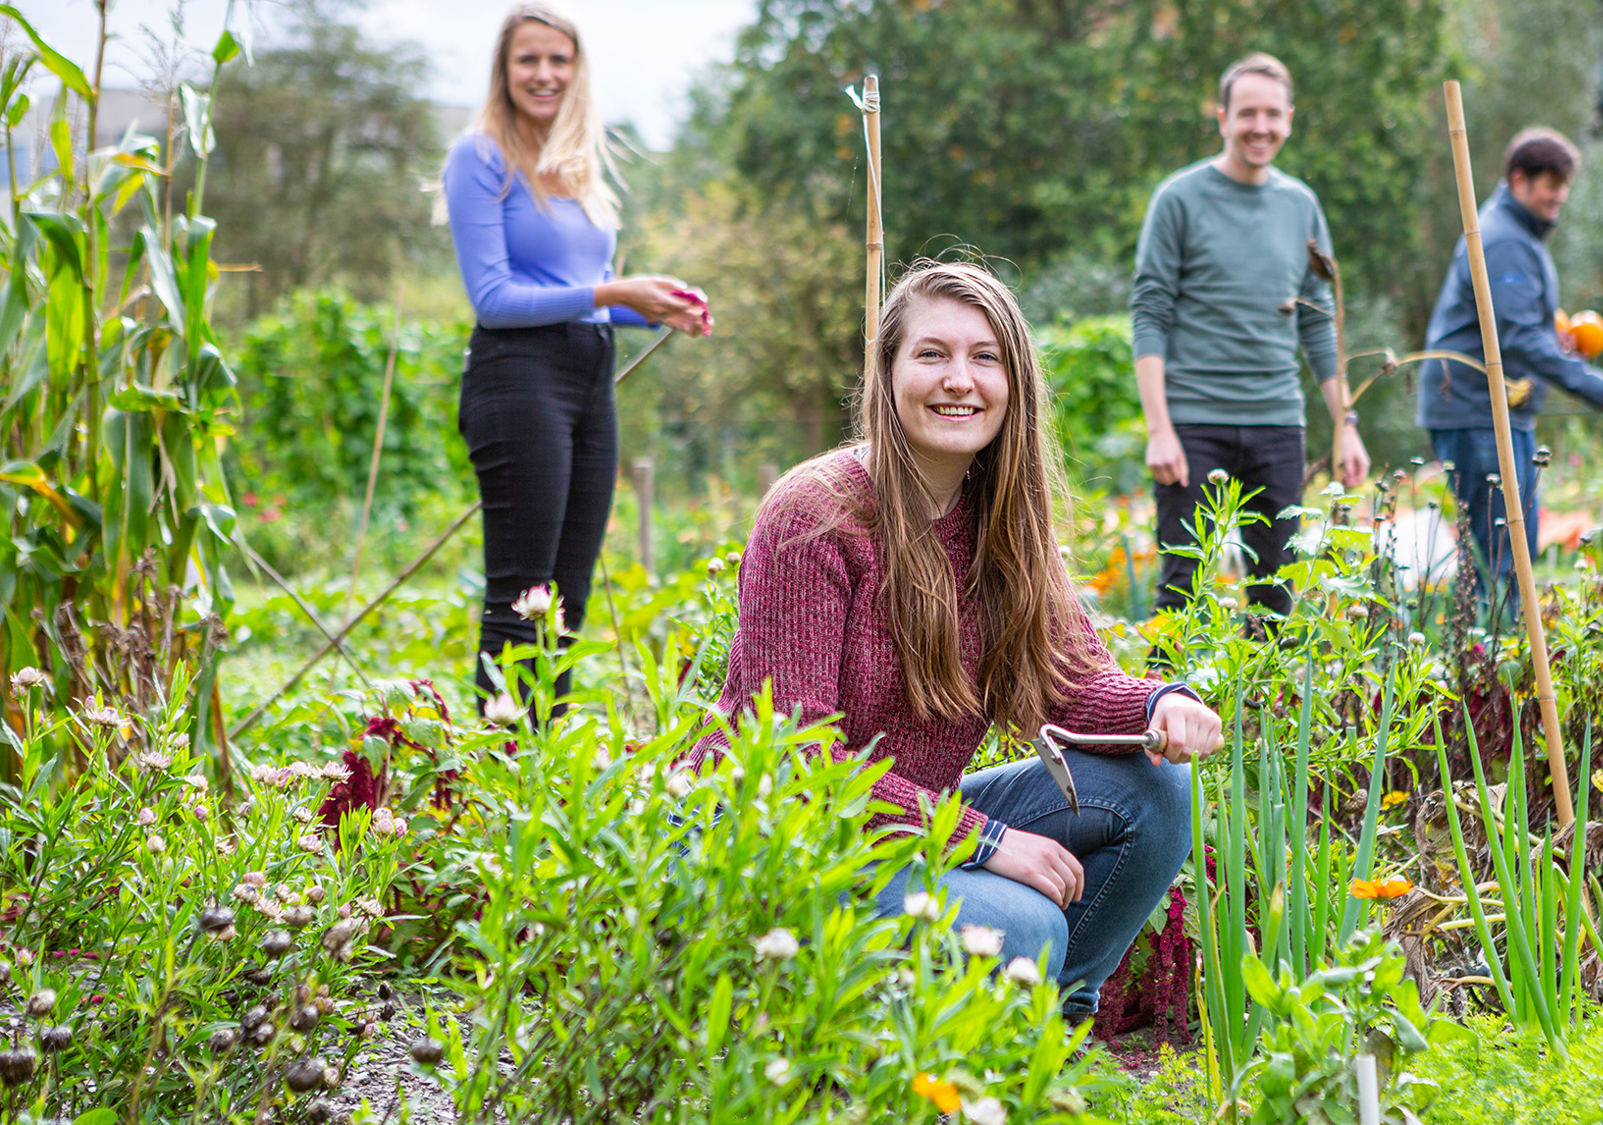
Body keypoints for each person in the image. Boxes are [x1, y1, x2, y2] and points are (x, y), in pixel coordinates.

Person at [706, 262, 1222, 1021]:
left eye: (985, 357)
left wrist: (1164, 702)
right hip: (787, 841)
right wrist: (982, 843)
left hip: (909, 824)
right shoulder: (814, 516)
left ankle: (1041, 1032)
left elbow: (1072, 681)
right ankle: (883, 1031)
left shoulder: (1002, 520)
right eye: (931, 354)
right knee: (1025, 923)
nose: (960, 380)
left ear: (1014, 384)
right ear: (886, 373)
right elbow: (791, 758)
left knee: (1153, 788)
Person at [440, 3, 709, 706]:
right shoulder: (479, 158)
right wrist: (617, 288)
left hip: (589, 376)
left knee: (567, 598)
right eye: (528, 58)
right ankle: (498, 775)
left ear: (577, 70)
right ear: (503, 70)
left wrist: (652, 306)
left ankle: (543, 767)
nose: (545, 73)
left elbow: (576, 294)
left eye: (559, 59)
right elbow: (495, 297)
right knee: (522, 593)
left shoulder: (578, 167)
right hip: (516, 376)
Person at [1131, 53, 1370, 622]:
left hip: (1278, 423)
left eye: (1272, 114)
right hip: (1193, 425)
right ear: (1222, 118)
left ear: (1289, 118)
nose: (1259, 127)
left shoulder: (1300, 205)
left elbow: (1318, 320)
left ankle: (1262, 710)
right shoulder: (1178, 199)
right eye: (1246, 113)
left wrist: (1346, 425)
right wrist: (1159, 429)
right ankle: (1166, 712)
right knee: (1182, 591)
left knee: (1277, 594)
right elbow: (1149, 312)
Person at [1416, 127, 1603, 595]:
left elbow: (1514, 325)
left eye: (1563, 188)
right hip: (1476, 409)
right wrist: (1595, 387)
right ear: (1520, 179)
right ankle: (1491, 658)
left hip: (1498, 409)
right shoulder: (1505, 241)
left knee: (1513, 548)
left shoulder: (1516, 235)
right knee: (1500, 553)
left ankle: (1501, 653)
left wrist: (1553, 336)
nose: (1559, 198)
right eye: (1550, 186)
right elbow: (1516, 337)